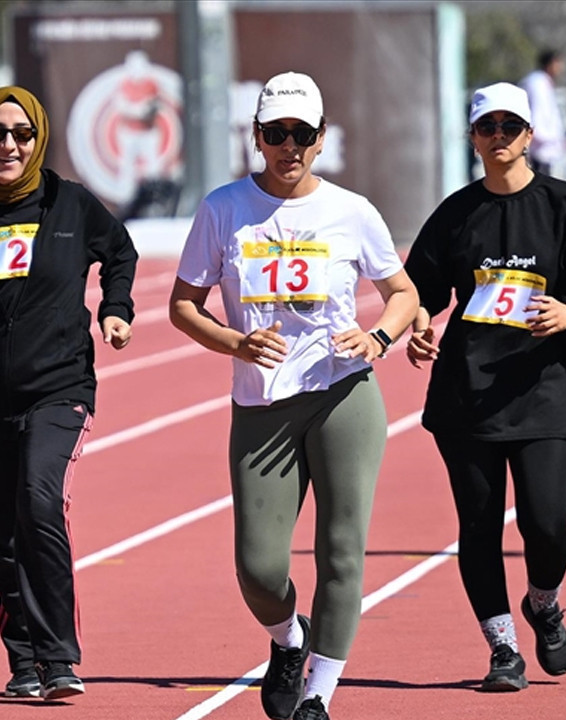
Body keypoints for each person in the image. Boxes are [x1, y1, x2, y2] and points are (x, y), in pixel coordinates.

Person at [168, 71, 418, 720]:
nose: (289, 146)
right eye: (276, 134)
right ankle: (288, 638)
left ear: (320, 138)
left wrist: (380, 339)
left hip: (343, 396)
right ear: (257, 138)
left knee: (340, 551)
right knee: (258, 566)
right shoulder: (223, 209)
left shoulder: (351, 210)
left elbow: (404, 294)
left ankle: (318, 695)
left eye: (301, 134)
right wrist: (234, 343)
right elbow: (183, 305)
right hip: (262, 405)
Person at [404, 82, 566, 691]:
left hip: (546, 390)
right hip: (467, 394)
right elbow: (417, 294)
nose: (498, 137)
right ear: (473, 137)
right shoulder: (455, 213)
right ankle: (502, 648)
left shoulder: (564, 205)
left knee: (547, 523)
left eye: (510, 126)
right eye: (487, 127)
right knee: (478, 527)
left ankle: (544, 601)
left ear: (530, 136)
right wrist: (420, 329)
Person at [0, 86, 138, 701]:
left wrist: (114, 310)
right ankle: (24, 661)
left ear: (39, 138)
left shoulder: (70, 204)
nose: (8, 145)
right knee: (0, 533)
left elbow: (120, 251)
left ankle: (60, 657)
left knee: (39, 501)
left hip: (57, 386)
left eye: (21, 134)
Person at [519, 50, 566, 176]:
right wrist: (546, 138)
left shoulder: (544, 82)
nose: (560, 67)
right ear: (550, 64)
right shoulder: (537, 83)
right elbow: (538, 114)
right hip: (538, 150)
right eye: (558, 63)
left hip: (545, 149)